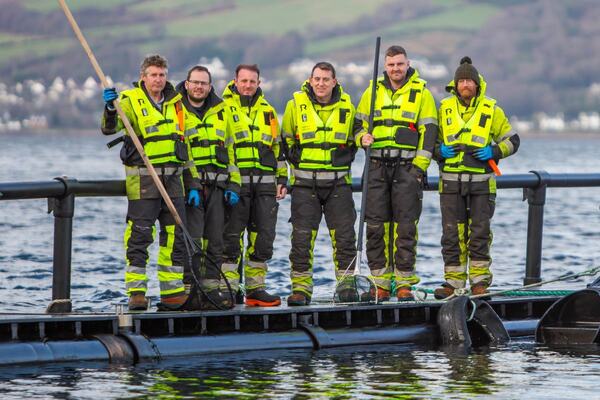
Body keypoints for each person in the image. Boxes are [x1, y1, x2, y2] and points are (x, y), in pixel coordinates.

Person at [101, 54, 193, 311]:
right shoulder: (130, 100)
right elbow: (110, 128)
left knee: (174, 236)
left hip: (174, 180)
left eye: (162, 75)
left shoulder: (176, 103)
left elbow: (185, 145)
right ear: (144, 77)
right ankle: (137, 291)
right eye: (153, 75)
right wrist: (110, 108)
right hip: (144, 179)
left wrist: (192, 182)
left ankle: (172, 291)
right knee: (140, 236)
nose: (159, 79)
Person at [356, 45, 438, 301]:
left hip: (407, 169)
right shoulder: (372, 92)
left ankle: (404, 283)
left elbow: (430, 133)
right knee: (376, 227)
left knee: (405, 228)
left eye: (399, 64)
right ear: (385, 66)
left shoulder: (421, 93)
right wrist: (362, 137)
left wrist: (419, 169)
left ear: (407, 64)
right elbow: (358, 124)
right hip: (378, 166)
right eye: (391, 65)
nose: (395, 69)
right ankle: (380, 283)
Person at [434, 57, 519, 298]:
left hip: (482, 184)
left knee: (480, 233)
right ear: (455, 84)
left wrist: (494, 151)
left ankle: (479, 283)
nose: (465, 85)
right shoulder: (443, 109)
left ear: (477, 84)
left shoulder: (492, 110)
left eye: (469, 80)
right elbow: (429, 142)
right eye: (461, 81)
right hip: (450, 183)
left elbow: (513, 141)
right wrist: (438, 152)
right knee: (452, 234)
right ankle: (453, 284)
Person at [281, 62, 358, 306]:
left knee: (345, 238)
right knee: (301, 240)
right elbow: (284, 143)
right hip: (305, 185)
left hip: (338, 185)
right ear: (310, 80)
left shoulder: (348, 107)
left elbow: (355, 137)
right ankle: (301, 289)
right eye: (317, 79)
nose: (321, 83)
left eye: (326, 79)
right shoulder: (294, 106)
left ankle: (346, 286)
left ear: (334, 81)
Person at [220, 64, 287, 307]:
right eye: (244, 81)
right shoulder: (223, 108)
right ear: (235, 81)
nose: (248, 85)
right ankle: (228, 288)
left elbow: (277, 150)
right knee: (230, 238)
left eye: (252, 81)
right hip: (236, 187)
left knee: (263, 238)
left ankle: (255, 289)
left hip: (265, 187)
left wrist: (282, 180)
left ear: (259, 83)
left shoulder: (269, 111)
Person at [175, 65, 242, 307]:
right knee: (192, 240)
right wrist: (191, 184)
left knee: (215, 241)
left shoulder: (221, 111)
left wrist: (235, 185)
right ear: (186, 83)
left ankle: (212, 291)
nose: (199, 87)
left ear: (210, 86)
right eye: (195, 82)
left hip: (218, 186)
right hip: (191, 186)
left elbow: (231, 150)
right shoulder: (176, 109)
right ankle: (190, 291)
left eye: (203, 83)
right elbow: (182, 152)